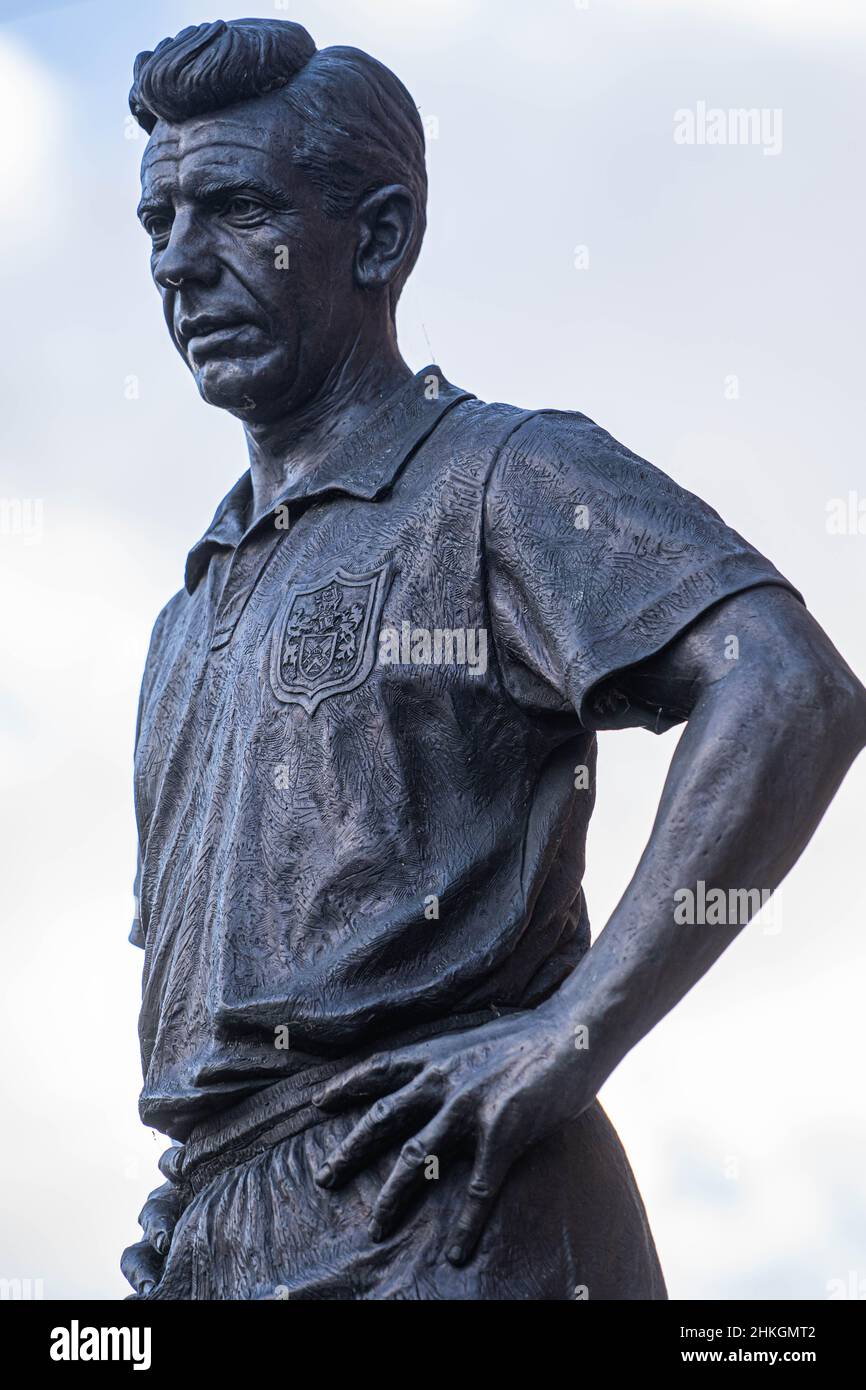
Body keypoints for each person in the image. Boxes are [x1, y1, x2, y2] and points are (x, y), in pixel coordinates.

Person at [120, 18, 866, 1300]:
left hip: (448, 1225)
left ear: (379, 236)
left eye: (236, 208)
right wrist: (195, 1194)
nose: (182, 263)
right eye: (157, 224)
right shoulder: (187, 610)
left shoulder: (495, 478)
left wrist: (568, 1038)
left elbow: (788, 689)